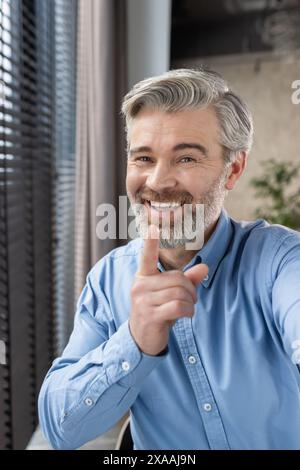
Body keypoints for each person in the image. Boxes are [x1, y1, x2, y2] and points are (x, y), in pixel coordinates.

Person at [38, 68, 300, 450]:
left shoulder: (278, 261)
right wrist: (134, 340)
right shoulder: (108, 281)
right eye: (143, 158)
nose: (158, 181)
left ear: (234, 169)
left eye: (187, 159)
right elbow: (60, 428)